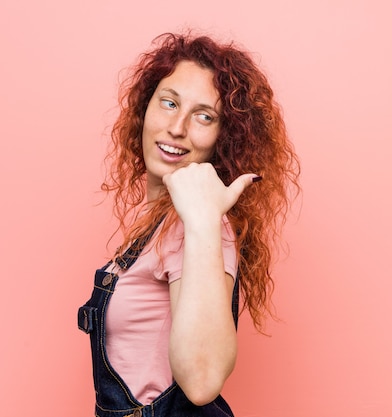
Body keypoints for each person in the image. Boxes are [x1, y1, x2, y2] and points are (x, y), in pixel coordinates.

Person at [77, 31, 300, 417]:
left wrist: (201, 221)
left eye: (204, 116)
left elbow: (201, 382)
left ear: (222, 138)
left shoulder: (195, 227)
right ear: (145, 109)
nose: (177, 127)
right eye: (168, 103)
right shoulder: (156, 227)